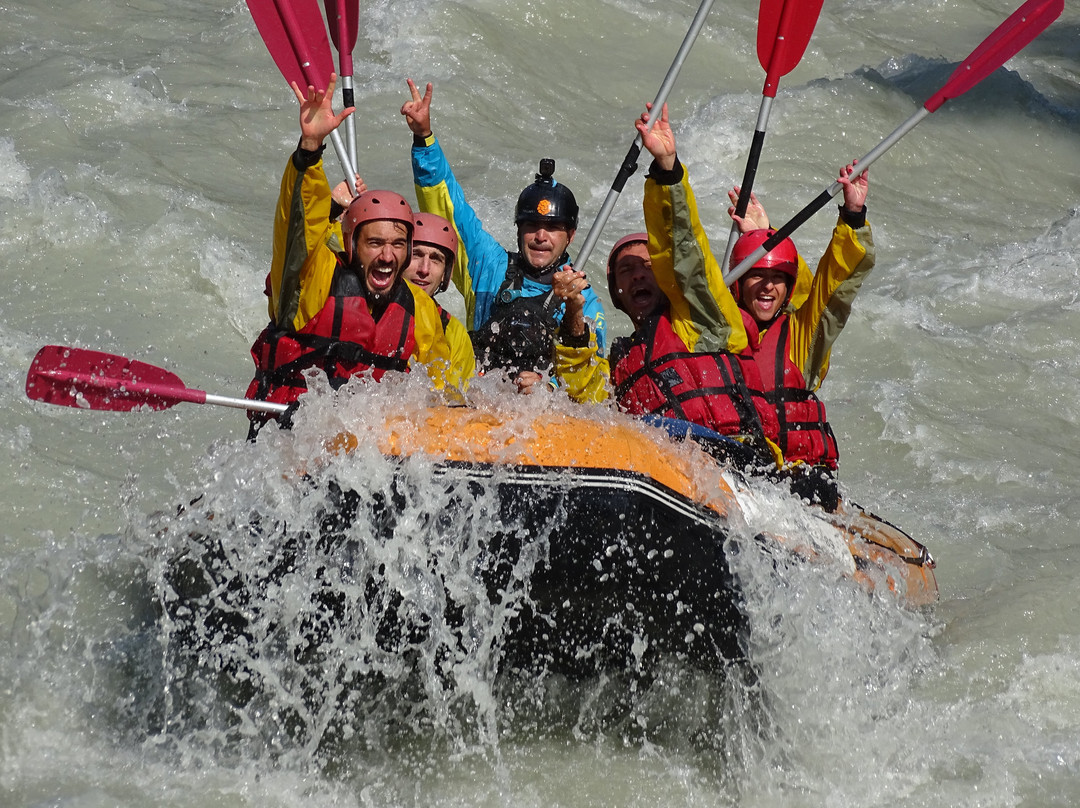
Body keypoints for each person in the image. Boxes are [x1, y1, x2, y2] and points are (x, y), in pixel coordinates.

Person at [554, 104, 782, 468]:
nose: (639, 275)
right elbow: (587, 398)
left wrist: (667, 170)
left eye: (647, 266)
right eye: (626, 271)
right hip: (664, 470)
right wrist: (574, 315)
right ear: (616, 293)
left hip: (734, 458)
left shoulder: (704, 319)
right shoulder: (618, 362)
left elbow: (684, 251)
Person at [245, 74, 464, 435]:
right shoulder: (314, 282)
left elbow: (443, 392)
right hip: (290, 445)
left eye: (397, 245)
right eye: (374, 243)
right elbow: (297, 228)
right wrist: (310, 150)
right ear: (351, 245)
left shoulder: (420, 312)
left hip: (368, 459)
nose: (387, 256)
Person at [401, 79, 607, 388]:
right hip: (482, 402)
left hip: (541, 417)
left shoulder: (583, 300)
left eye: (552, 229)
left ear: (571, 235)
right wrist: (423, 138)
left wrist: (546, 388)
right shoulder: (489, 266)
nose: (540, 236)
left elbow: (591, 384)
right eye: (531, 227)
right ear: (518, 230)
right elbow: (449, 209)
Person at [725, 162, 873, 509]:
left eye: (778, 278)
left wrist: (853, 216)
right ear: (737, 283)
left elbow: (833, 287)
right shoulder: (722, 333)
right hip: (742, 475)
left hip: (801, 481)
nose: (767, 286)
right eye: (756, 276)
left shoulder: (802, 335)